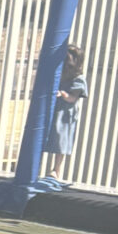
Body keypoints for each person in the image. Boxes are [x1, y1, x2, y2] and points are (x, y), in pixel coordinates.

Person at [47, 42, 87, 181]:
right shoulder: (59, 73)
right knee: (46, 136)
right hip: (54, 108)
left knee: (61, 140)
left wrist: (63, 94)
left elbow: (73, 98)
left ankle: (56, 169)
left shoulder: (78, 79)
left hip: (65, 114)